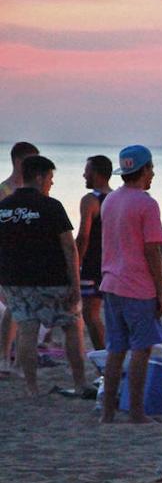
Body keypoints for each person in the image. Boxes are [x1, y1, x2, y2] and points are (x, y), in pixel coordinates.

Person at [0, 155, 87, 397]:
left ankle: (32, 387)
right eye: (50, 178)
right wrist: (76, 285)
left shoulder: (4, 207)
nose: (51, 183)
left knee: (27, 328)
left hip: (16, 280)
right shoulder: (51, 206)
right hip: (52, 279)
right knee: (72, 326)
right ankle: (80, 382)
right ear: (39, 177)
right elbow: (70, 247)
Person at [99, 144, 162, 423]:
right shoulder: (147, 204)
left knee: (116, 349)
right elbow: (152, 251)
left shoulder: (110, 200)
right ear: (145, 169)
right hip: (137, 286)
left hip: (111, 283)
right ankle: (136, 411)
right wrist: (161, 293)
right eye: (151, 169)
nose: (153, 174)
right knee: (142, 349)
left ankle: (107, 412)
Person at [0, 141, 40, 374]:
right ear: (19, 162)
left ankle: (16, 358)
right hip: (10, 258)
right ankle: (5, 357)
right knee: (14, 308)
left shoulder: (35, 190)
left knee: (23, 310)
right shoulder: (4, 191)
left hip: (30, 257)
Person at [75, 155, 113, 350]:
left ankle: (105, 356)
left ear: (97, 174)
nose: (84, 175)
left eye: (87, 171)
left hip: (92, 264)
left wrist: (76, 262)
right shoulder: (116, 198)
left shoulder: (91, 200)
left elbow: (83, 236)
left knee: (90, 315)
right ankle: (111, 355)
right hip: (114, 264)